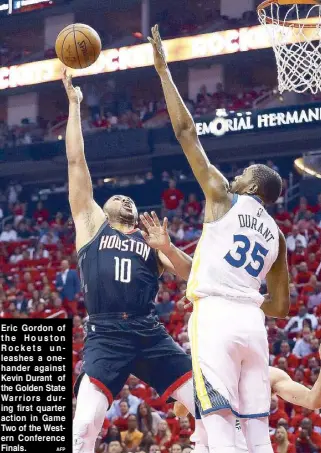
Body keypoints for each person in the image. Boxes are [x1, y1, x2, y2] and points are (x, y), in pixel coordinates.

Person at [149, 24, 290, 453]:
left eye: (244, 173)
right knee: (258, 433)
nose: (236, 173)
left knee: (220, 425)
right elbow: (280, 307)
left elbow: (187, 134)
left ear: (250, 188)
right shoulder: (280, 237)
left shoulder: (224, 199)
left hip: (216, 321)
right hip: (252, 326)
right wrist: (244, 296)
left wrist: (163, 71)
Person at [62, 69, 194, 453]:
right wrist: (74, 106)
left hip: (148, 332)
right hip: (106, 334)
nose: (125, 199)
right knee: (84, 423)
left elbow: (193, 274)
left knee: (208, 405)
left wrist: (167, 248)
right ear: (103, 208)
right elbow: (75, 162)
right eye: (117, 197)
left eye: (131, 201)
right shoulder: (90, 225)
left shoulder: (151, 239)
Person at [175, 349, 321, 452]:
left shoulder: (270, 375)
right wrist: (196, 382)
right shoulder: (207, 373)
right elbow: (179, 411)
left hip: (252, 446)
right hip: (213, 446)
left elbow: (312, 400)